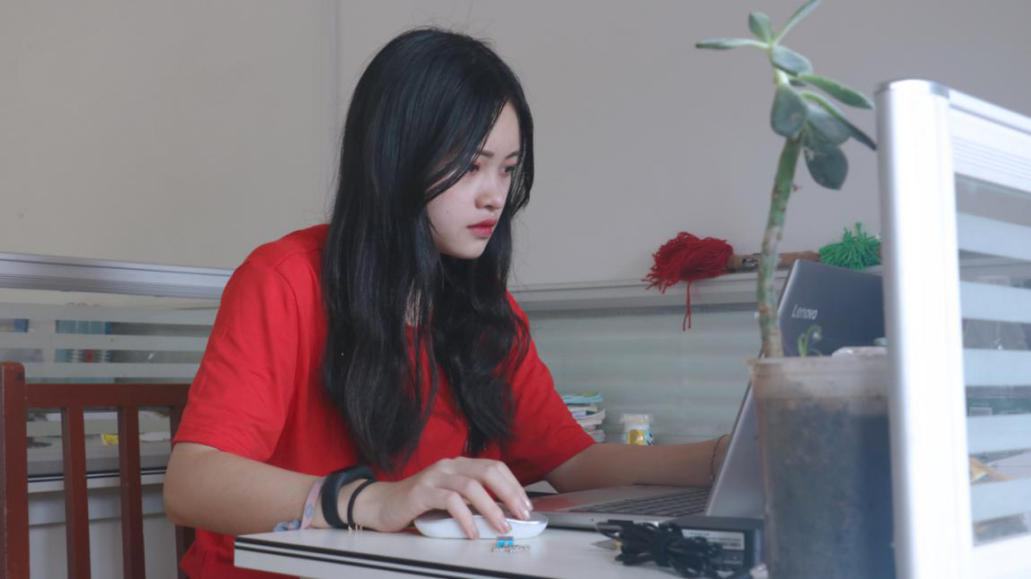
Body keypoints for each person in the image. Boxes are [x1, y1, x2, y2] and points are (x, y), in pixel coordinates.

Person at [163, 27, 730, 578]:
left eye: (507, 170)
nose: (495, 196)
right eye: (471, 166)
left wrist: (722, 457)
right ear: (396, 160)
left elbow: (571, 461)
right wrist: (375, 500)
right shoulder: (285, 281)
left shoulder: (484, 309)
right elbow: (192, 483)